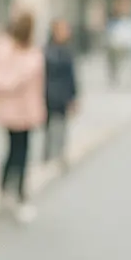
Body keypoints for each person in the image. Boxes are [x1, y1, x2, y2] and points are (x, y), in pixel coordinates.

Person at [0, 9, 46, 223]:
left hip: (26, 110)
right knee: (15, 151)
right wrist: (17, 80)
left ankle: (14, 190)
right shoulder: (5, 49)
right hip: (11, 110)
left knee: (21, 151)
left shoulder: (31, 50)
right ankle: (11, 190)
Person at [43, 18, 79, 166]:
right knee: (49, 126)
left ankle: (59, 154)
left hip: (62, 94)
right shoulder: (47, 51)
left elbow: (71, 76)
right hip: (49, 94)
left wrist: (73, 97)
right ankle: (48, 155)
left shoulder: (67, 51)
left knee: (61, 126)